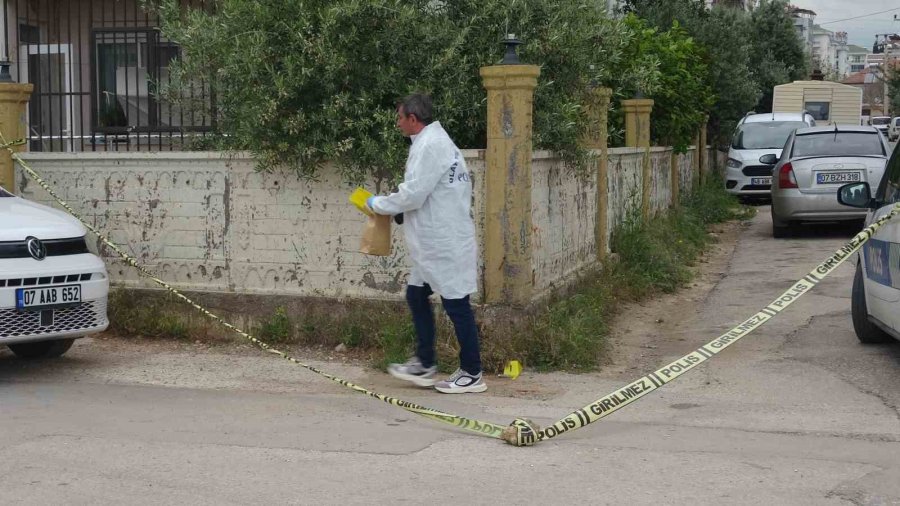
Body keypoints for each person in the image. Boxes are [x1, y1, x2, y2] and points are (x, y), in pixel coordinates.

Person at [366, 93, 485, 394]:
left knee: (457, 304)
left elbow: (414, 194)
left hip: (444, 241)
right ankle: (425, 361)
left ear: (413, 120)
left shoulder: (431, 146)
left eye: (400, 118)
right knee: (417, 294)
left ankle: (472, 373)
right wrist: (402, 214)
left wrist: (378, 203)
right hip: (436, 238)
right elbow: (430, 193)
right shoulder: (432, 142)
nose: (397, 123)